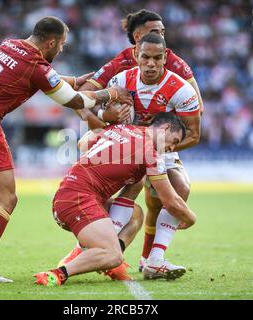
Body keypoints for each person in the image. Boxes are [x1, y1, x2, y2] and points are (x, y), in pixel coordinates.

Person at [0, 16, 132, 283]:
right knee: (6, 198)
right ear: (51, 42)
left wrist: (73, 79)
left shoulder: (9, 45)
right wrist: (110, 94)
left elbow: (38, 77)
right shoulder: (35, 64)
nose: (61, 50)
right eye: (61, 45)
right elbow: (72, 100)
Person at [58, 9, 203, 272]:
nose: (151, 63)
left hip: (156, 143)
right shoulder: (120, 75)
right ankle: (91, 248)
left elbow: (194, 132)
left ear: (164, 55)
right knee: (90, 149)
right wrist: (104, 114)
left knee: (179, 188)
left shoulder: (180, 82)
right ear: (136, 48)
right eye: (145, 55)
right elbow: (81, 99)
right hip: (121, 139)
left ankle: (152, 259)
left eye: (161, 36)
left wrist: (156, 150)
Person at [34, 112, 196, 286]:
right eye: (175, 141)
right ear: (165, 128)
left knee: (136, 214)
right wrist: (191, 219)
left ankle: (102, 258)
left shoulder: (120, 128)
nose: (172, 148)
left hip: (69, 195)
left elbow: (83, 144)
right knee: (113, 255)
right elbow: (171, 200)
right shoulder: (151, 153)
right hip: (78, 201)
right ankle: (58, 273)